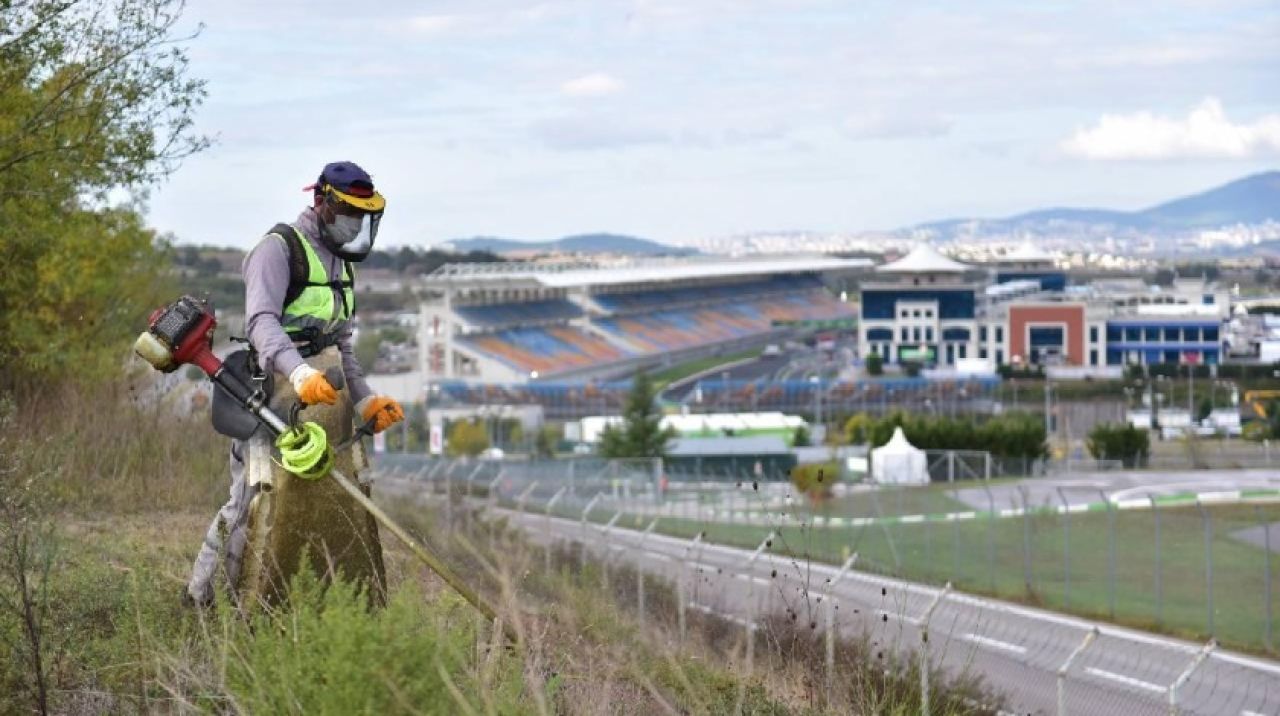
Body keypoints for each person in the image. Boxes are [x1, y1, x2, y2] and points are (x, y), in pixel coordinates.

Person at [185, 161, 404, 607]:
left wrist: (365, 401)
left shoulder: (342, 265)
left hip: (326, 398)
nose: (354, 225)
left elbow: (342, 344)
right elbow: (262, 322)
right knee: (252, 501)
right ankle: (203, 600)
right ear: (322, 202)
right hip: (272, 394)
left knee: (329, 504)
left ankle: (301, 604)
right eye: (348, 214)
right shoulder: (278, 248)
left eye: (362, 218)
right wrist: (299, 372)